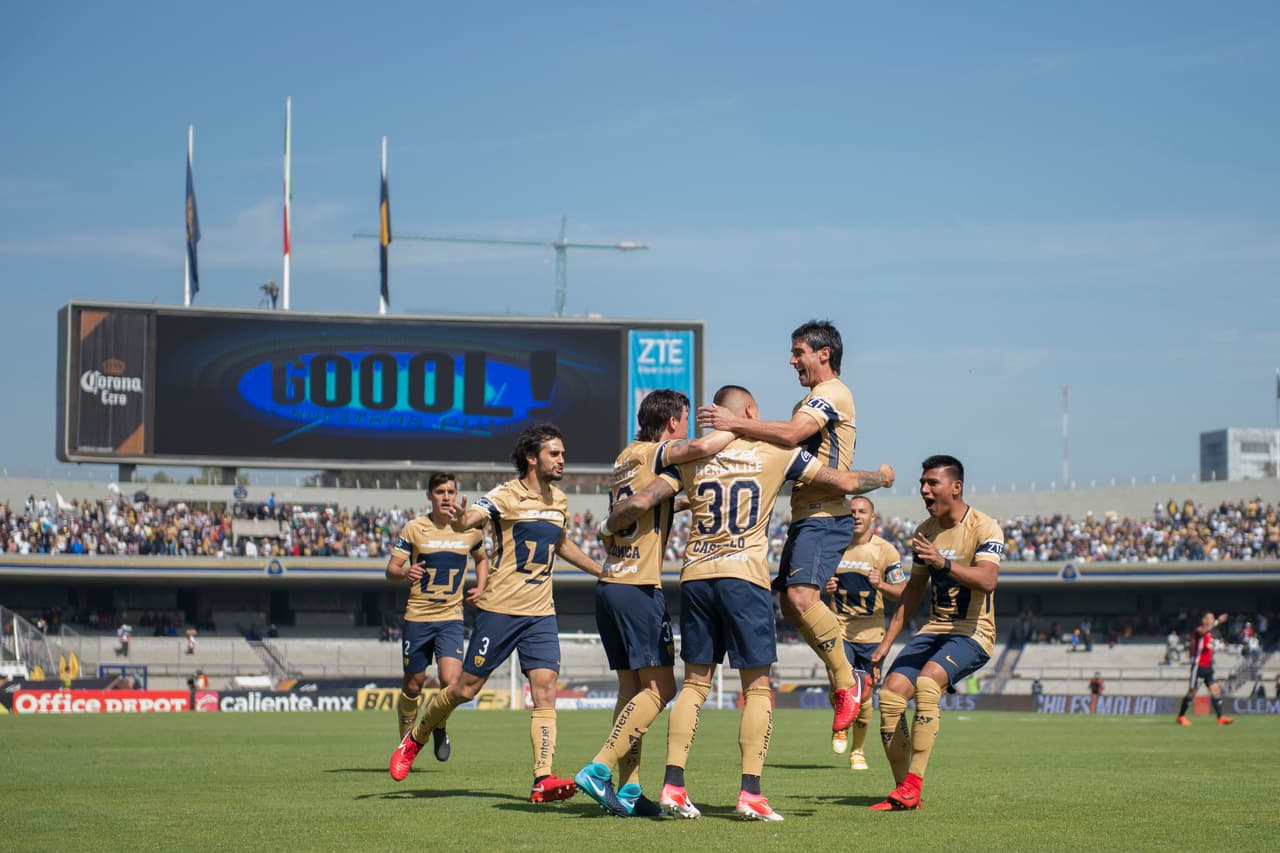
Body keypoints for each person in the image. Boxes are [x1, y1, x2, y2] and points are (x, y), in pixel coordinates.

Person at [607, 385, 893, 821]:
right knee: (757, 687)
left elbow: (647, 498)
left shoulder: (692, 458)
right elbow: (847, 482)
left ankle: (673, 786)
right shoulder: (775, 449)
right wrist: (884, 477)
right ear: (751, 412)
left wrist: (613, 524)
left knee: (695, 685)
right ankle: (750, 793)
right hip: (744, 577)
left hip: (697, 576)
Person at [389, 424, 604, 804]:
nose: (561, 460)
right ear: (531, 458)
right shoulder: (505, 495)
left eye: (562, 453)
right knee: (465, 689)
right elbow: (472, 519)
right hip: (500, 611)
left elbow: (562, 545)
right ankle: (417, 736)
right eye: (554, 453)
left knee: (546, 691)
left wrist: (602, 572)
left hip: (541, 613)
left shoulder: (560, 500)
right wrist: (459, 518)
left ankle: (542, 779)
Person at [697, 320, 866, 738]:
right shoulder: (809, 400)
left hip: (826, 515)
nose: (792, 361)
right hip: (806, 516)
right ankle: (842, 673)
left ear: (823, 354)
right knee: (791, 606)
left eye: (799, 352)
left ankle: (849, 681)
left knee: (800, 596)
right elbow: (785, 451)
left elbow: (791, 436)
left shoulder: (833, 394)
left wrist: (735, 424)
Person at [574, 390, 734, 817]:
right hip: (639, 588)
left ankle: (628, 790)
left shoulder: (626, 456)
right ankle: (600, 767)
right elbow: (685, 462)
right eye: (685, 419)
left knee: (631, 691)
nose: (688, 428)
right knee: (662, 689)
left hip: (611, 583)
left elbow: (644, 501)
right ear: (672, 423)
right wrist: (737, 428)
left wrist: (677, 500)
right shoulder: (661, 453)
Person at [868, 455, 1003, 811]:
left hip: (973, 633)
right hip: (934, 630)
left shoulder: (984, 527)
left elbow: (988, 580)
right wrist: (885, 643)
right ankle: (903, 791)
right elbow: (913, 592)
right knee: (892, 694)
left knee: (928, 683)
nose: (925, 490)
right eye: (922, 484)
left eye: (932, 483)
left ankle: (913, 784)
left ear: (956, 487)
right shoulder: (924, 531)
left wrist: (943, 562)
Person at [385, 472, 490, 761]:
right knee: (413, 684)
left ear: (457, 495)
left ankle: (439, 726)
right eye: (441, 491)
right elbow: (391, 569)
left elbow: (482, 560)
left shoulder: (470, 529)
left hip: (451, 618)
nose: (446, 497)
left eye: (451, 492)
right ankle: (406, 741)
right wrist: (405, 571)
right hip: (417, 617)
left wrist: (481, 587)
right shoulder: (414, 529)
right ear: (430, 496)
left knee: (450, 680)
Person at [824, 495, 906, 770]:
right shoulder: (832, 547)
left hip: (872, 635)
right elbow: (812, 584)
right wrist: (826, 586)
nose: (856, 515)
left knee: (866, 694)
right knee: (840, 684)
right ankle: (840, 725)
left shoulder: (886, 551)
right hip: (839, 628)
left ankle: (858, 750)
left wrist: (881, 584)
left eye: (862, 511)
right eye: (852, 512)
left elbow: (903, 593)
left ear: (873, 517)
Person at [1176, 612, 1233, 726]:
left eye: (1213, 618)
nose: (1212, 620)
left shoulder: (1210, 635)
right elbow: (1202, 632)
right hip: (1199, 667)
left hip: (1208, 667)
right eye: (1210, 618)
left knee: (1215, 690)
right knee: (1192, 692)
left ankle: (1220, 717)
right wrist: (1218, 622)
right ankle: (1181, 716)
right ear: (1204, 620)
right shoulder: (1199, 631)